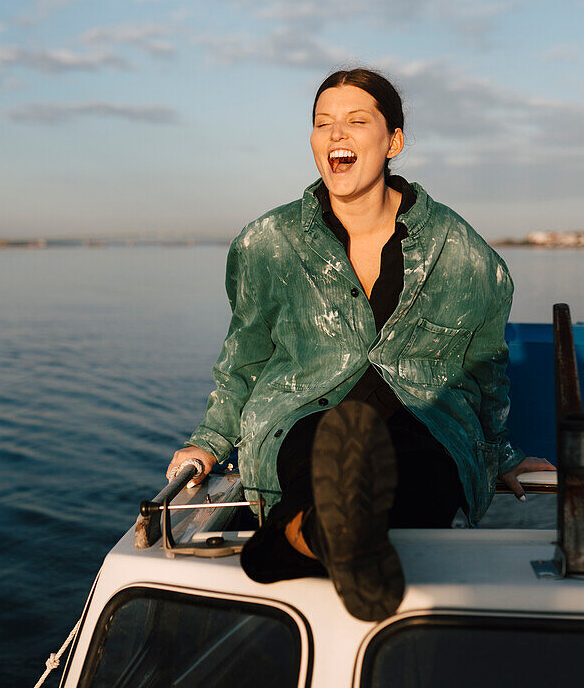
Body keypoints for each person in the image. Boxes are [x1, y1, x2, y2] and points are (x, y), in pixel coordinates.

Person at [167, 68, 554, 621]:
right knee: (319, 439)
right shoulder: (268, 244)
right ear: (313, 143)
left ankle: (300, 535)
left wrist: (500, 454)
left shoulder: (461, 251)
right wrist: (209, 440)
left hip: (426, 418)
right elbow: (245, 358)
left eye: (355, 121)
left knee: (420, 461)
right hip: (306, 413)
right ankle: (336, 532)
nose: (336, 135)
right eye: (323, 123)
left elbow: (482, 371)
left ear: (393, 141)